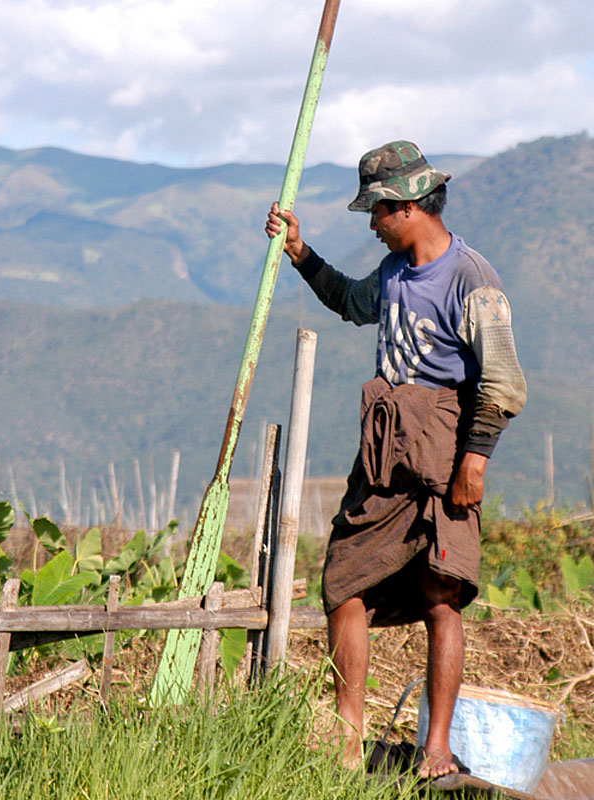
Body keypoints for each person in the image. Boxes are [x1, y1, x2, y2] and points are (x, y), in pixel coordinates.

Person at [265, 141, 526, 779]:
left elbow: (503, 381)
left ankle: (435, 750)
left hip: (446, 451)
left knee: (442, 593)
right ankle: (347, 746)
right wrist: (299, 252)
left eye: (377, 213)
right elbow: (349, 301)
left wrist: (474, 463)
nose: (373, 226)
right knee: (344, 584)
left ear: (407, 207)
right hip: (383, 455)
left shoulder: (473, 279)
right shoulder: (391, 275)